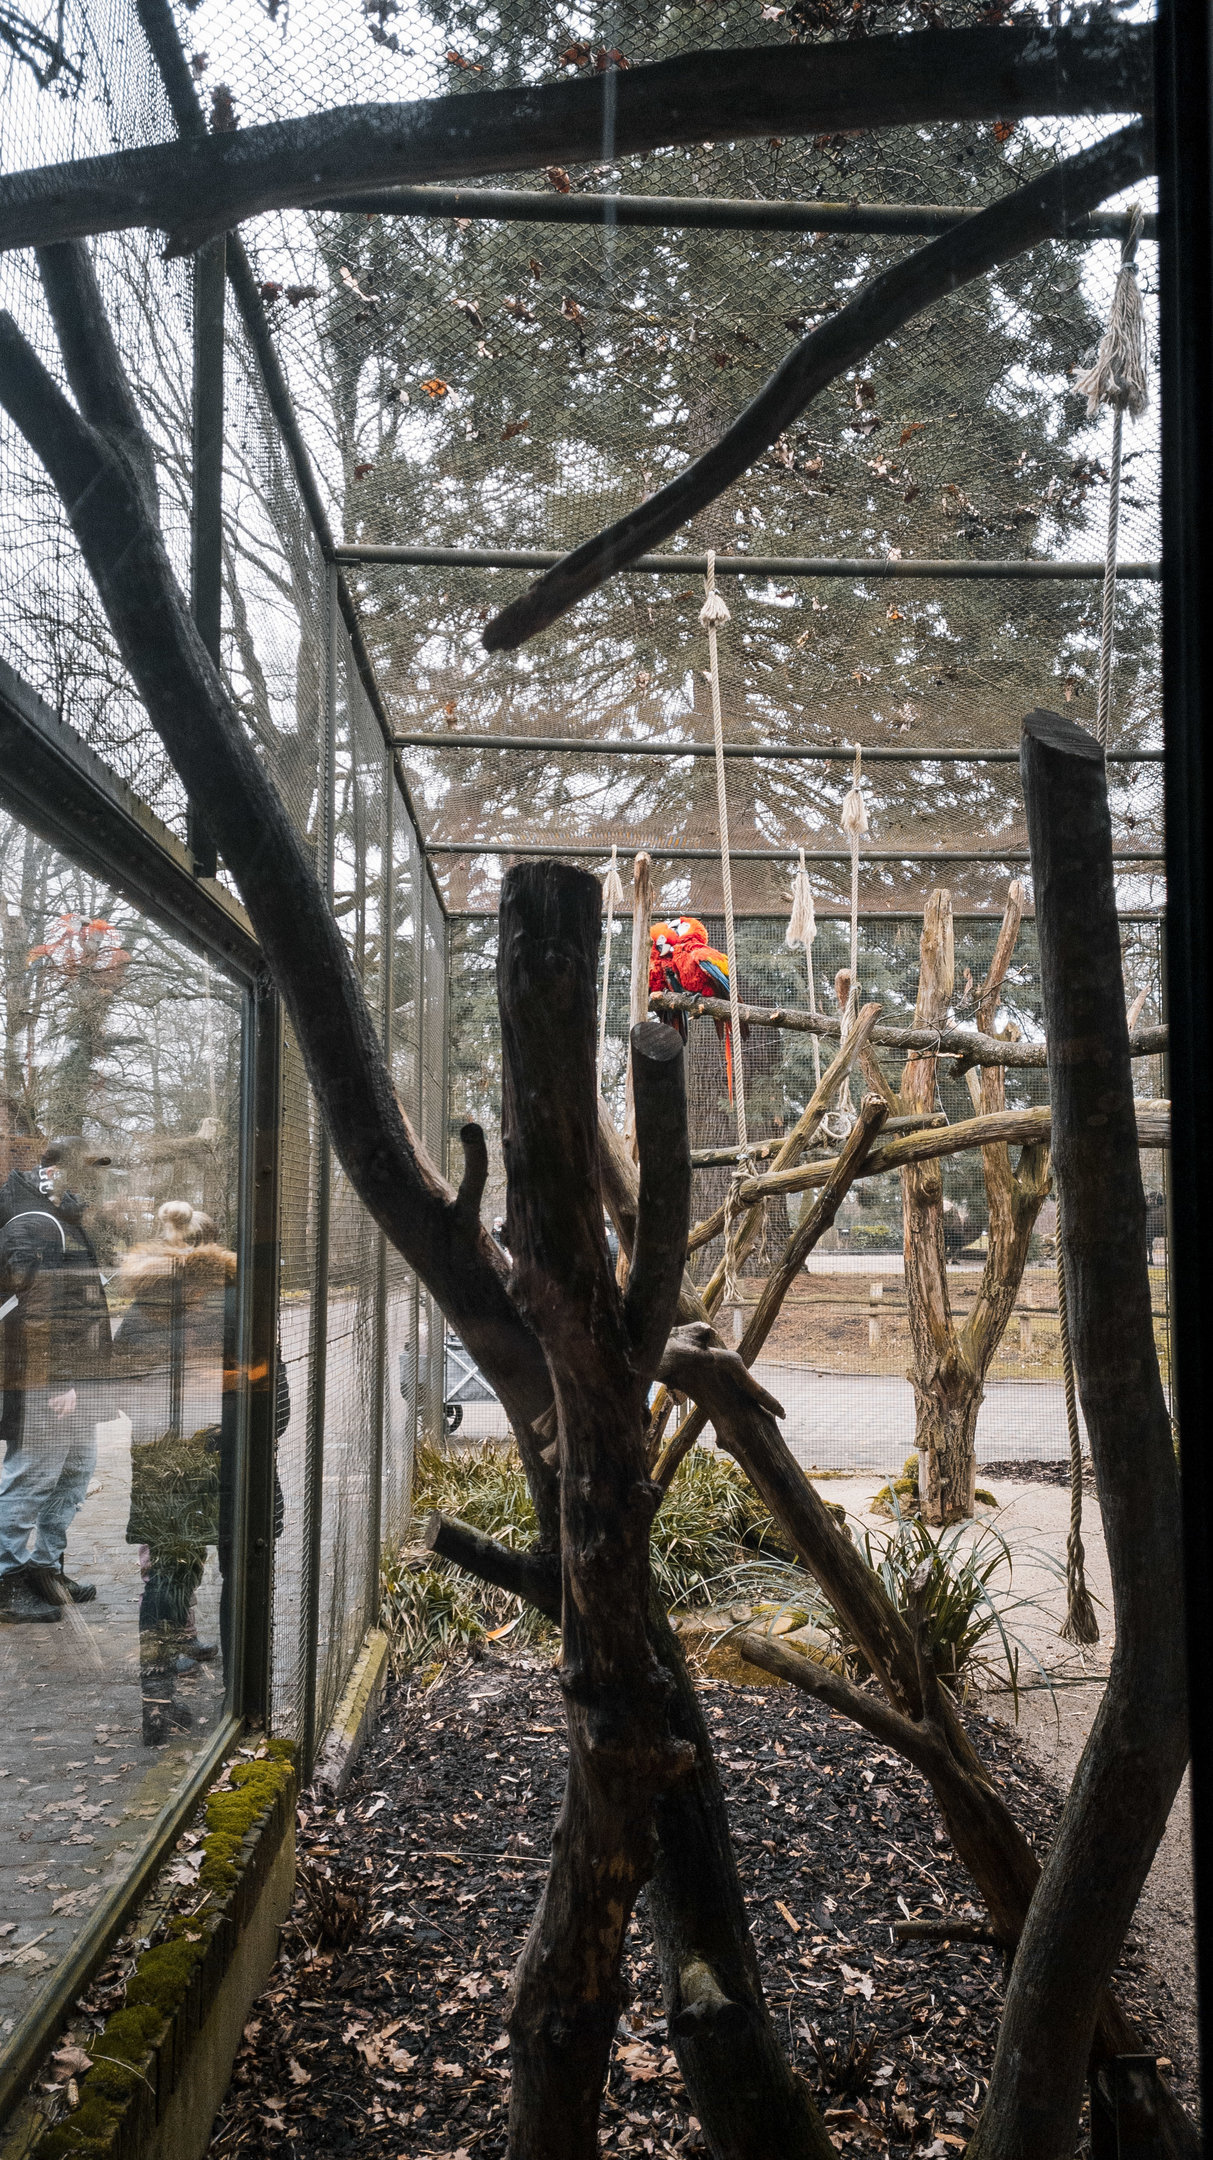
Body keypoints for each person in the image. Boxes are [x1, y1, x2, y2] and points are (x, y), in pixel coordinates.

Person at [0, 1140, 113, 1623]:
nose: (95, 1181)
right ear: (56, 1170)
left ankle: (43, 1569)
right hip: (45, 1382)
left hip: (72, 1380)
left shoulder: (59, 1216)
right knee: (32, 1478)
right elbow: (37, 1313)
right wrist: (60, 1379)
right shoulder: (34, 1222)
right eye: (88, 1170)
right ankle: (6, 1582)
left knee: (74, 1472)